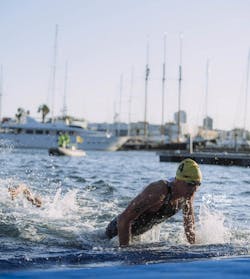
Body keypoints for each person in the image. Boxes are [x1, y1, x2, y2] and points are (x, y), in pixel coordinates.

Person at [105, 158, 202, 247]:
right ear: (178, 180)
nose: (194, 189)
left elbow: (189, 223)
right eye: (190, 184)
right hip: (116, 234)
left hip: (134, 235)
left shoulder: (187, 194)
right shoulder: (158, 191)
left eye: (198, 184)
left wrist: (193, 246)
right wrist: (125, 251)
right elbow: (124, 219)